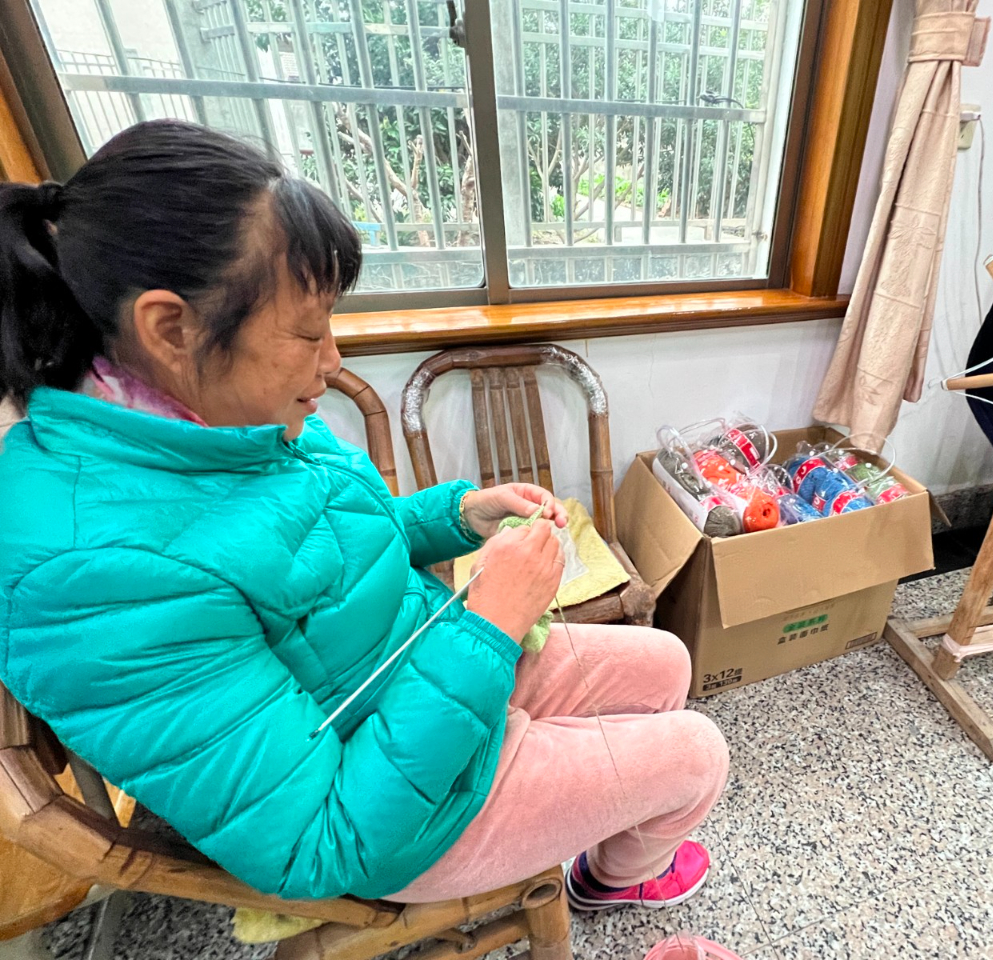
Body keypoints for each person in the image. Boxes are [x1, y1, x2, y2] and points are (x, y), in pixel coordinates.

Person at [0, 120, 729, 909]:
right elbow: (321, 842)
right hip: (403, 816)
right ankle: (608, 880)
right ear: (171, 328)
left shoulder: (224, 415)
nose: (333, 361)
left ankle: (591, 811)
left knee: (667, 662)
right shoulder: (89, 573)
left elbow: (335, 556)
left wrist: (460, 515)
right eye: (307, 332)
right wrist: (489, 626)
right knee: (699, 754)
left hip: (422, 679)